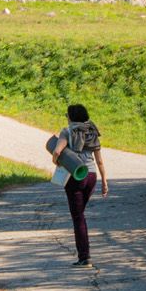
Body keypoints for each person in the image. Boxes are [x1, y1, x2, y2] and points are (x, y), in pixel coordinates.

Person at [48, 103, 108, 267]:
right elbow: (100, 161)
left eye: (66, 115)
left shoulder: (67, 131)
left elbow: (57, 152)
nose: (66, 118)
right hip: (92, 176)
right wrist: (104, 181)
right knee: (80, 213)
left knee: (78, 217)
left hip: (76, 176)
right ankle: (84, 254)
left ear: (71, 117)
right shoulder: (92, 131)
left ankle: (84, 257)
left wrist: (57, 162)